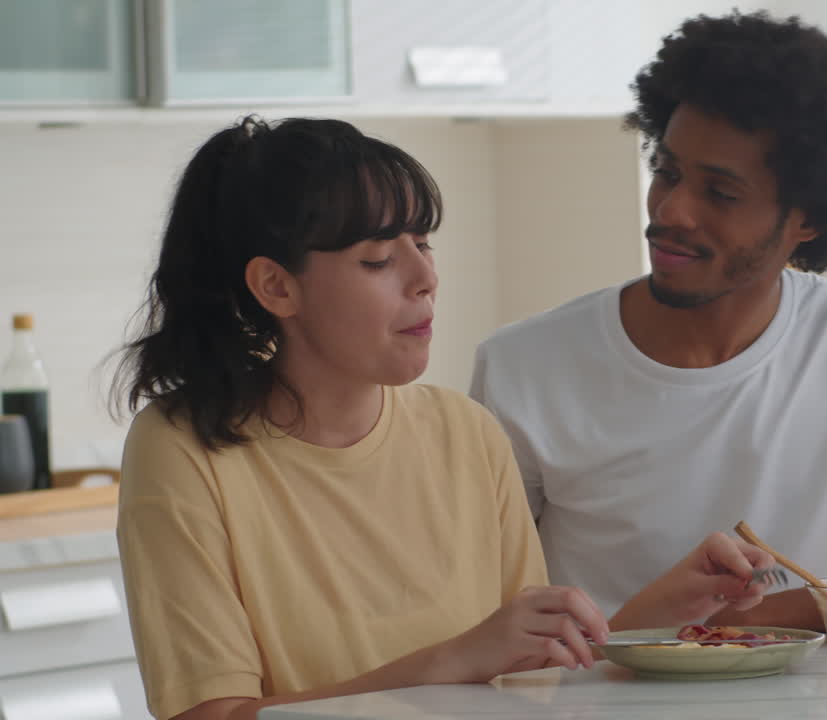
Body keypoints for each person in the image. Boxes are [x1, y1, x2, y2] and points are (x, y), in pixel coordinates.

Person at [113, 116, 775, 720]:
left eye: (422, 243)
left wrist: (664, 613)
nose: (424, 277)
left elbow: (527, 682)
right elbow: (208, 716)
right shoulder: (184, 448)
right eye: (377, 259)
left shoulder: (466, 432)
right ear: (276, 287)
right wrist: (446, 664)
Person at [469, 11, 827, 631]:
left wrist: (736, 631)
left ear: (805, 220)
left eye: (721, 194)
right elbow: (483, 615)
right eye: (668, 172)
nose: (672, 210)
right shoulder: (524, 367)